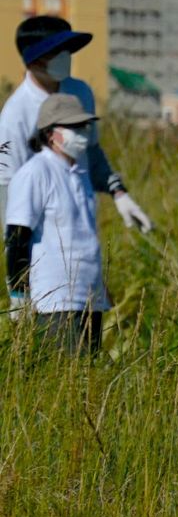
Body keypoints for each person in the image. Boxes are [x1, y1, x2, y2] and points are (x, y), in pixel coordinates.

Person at [0, 16, 155, 236]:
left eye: (67, 50)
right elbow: (6, 184)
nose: (65, 57)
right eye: (55, 52)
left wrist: (119, 193)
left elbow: (90, 150)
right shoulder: (15, 114)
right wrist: (17, 249)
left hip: (83, 218)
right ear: (33, 61)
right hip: (42, 231)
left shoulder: (80, 92)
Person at [4, 93, 110, 353]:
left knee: (89, 377)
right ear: (51, 133)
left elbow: (82, 236)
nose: (82, 133)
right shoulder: (35, 172)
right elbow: (17, 235)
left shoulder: (79, 173)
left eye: (84, 126)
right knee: (67, 374)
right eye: (73, 127)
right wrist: (19, 295)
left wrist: (99, 285)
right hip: (55, 300)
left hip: (89, 298)